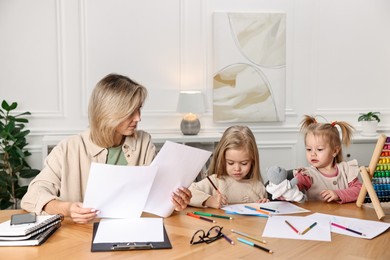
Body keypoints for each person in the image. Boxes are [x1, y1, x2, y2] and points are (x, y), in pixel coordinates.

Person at [21, 73, 191, 223]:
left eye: (139, 109)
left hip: (133, 230)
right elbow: (33, 196)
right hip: (80, 238)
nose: (138, 118)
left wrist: (175, 202)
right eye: (131, 111)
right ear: (108, 112)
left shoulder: (143, 142)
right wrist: (68, 209)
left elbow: (157, 195)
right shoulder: (68, 149)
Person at [189, 125, 268, 209]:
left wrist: (265, 204)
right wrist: (209, 200)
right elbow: (188, 193)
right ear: (222, 159)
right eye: (230, 163)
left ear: (253, 161)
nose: (237, 169)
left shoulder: (258, 187)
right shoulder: (216, 181)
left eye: (244, 163)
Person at [294, 115, 362, 203]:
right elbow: (290, 189)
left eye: (319, 149)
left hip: (345, 216)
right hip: (317, 216)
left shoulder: (346, 170)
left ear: (335, 151)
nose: (313, 154)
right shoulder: (307, 175)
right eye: (309, 149)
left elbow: (360, 190)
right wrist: (281, 192)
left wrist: (338, 194)